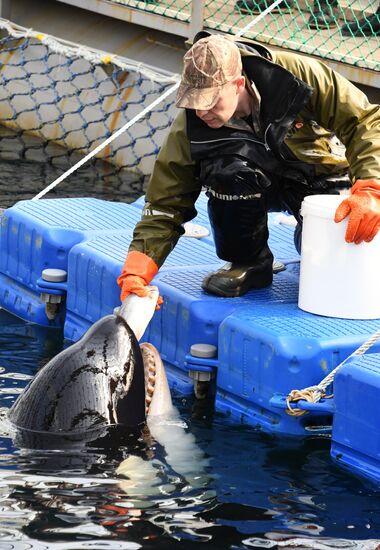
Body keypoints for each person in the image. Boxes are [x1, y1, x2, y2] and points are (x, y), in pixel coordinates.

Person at [117, 32, 380, 301]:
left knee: (334, 257)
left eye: (211, 101)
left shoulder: (297, 76)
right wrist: (137, 272)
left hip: (317, 176)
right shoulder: (193, 122)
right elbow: (165, 202)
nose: (201, 113)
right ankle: (250, 263)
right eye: (193, 102)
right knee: (225, 171)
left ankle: (313, 236)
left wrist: (371, 186)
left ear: (238, 83)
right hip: (248, 182)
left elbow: (364, 122)